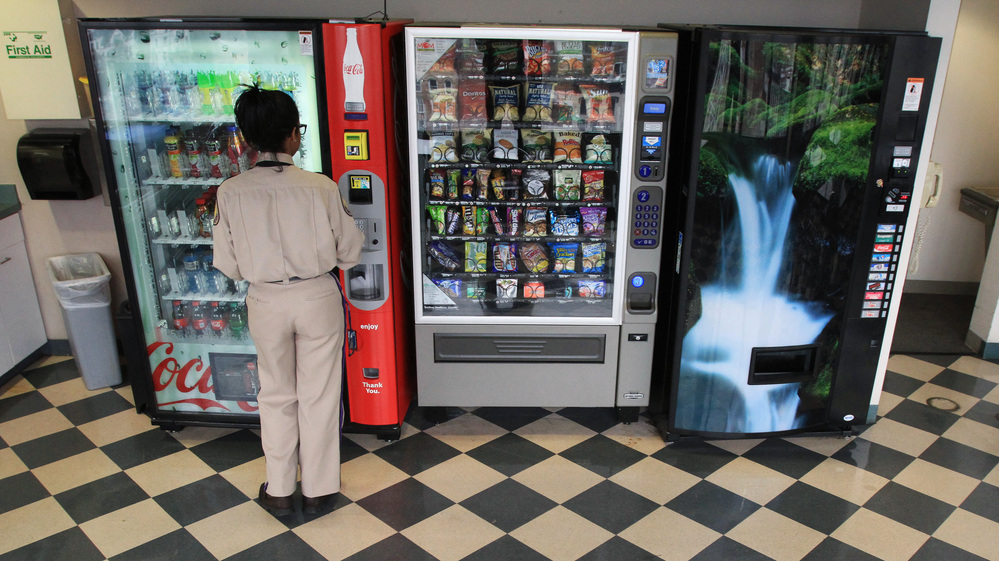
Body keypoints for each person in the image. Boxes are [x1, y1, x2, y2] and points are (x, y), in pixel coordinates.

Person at [212, 84, 364, 516]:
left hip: (264, 299)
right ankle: (319, 489)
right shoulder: (320, 187)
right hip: (315, 294)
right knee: (319, 395)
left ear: (246, 138)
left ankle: (278, 489)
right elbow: (350, 251)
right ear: (294, 134)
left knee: (275, 393)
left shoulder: (230, 191)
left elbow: (228, 264)